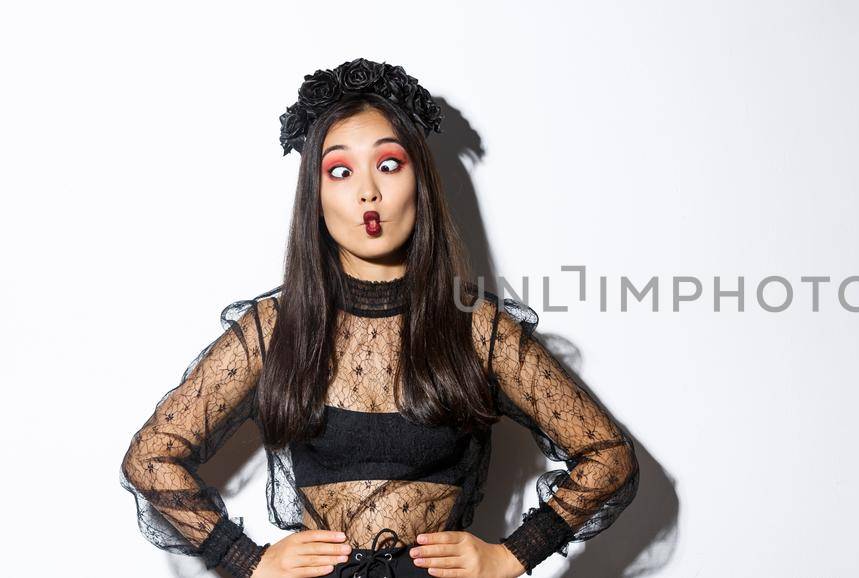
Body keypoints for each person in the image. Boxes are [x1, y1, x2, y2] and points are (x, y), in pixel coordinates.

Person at [119, 58, 639, 578]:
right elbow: (150, 458)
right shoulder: (277, 328)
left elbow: (609, 458)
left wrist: (511, 555)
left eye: (388, 164)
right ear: (315, 197)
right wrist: (244, 559)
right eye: (340, 171)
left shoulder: (475, 327)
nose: (368, 191)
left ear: (421, 182)